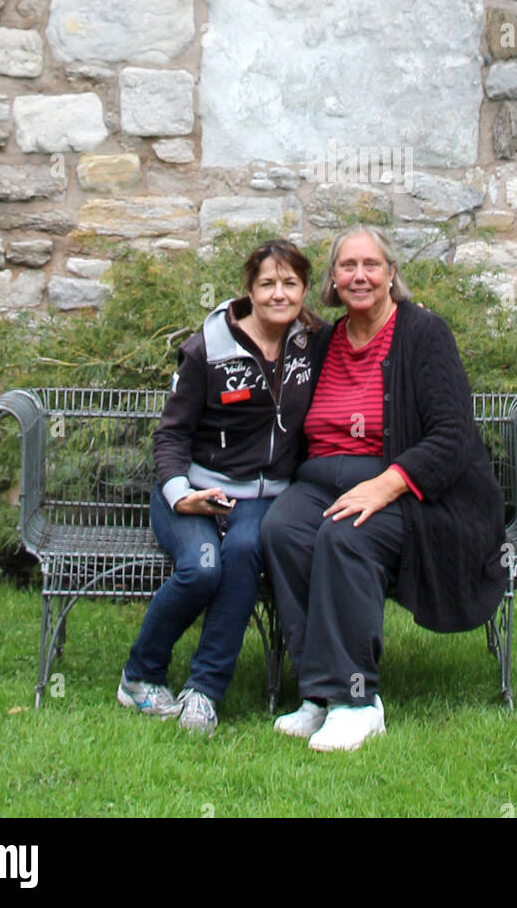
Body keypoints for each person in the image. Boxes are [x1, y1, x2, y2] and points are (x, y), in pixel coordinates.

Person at [261, 225, 507, 752]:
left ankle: (356, 700)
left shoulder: (423, 334)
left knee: (347, 536)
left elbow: (452, 434)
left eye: (371, 265)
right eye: (347, 266)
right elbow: (260, 335)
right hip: (321, 478)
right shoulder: (324, 341)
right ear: (332, 279)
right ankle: (317, 694)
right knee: (283, 529)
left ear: (392, 273)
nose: (360, 276)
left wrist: (387, 485)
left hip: (412, 492)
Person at [118, 238, 330, 734]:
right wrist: (180, 494)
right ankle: (139, 676)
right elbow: (171, 434)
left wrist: (407, 314)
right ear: (249, 291)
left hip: (263, 496)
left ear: (304, 290)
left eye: (290, 283)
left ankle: (203, 692)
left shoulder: (315, 340)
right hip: (192, 490)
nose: (279, 294)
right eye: (267, 284)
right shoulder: (207, 348)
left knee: (242, 552)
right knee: (201, 569)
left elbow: (373, 328)